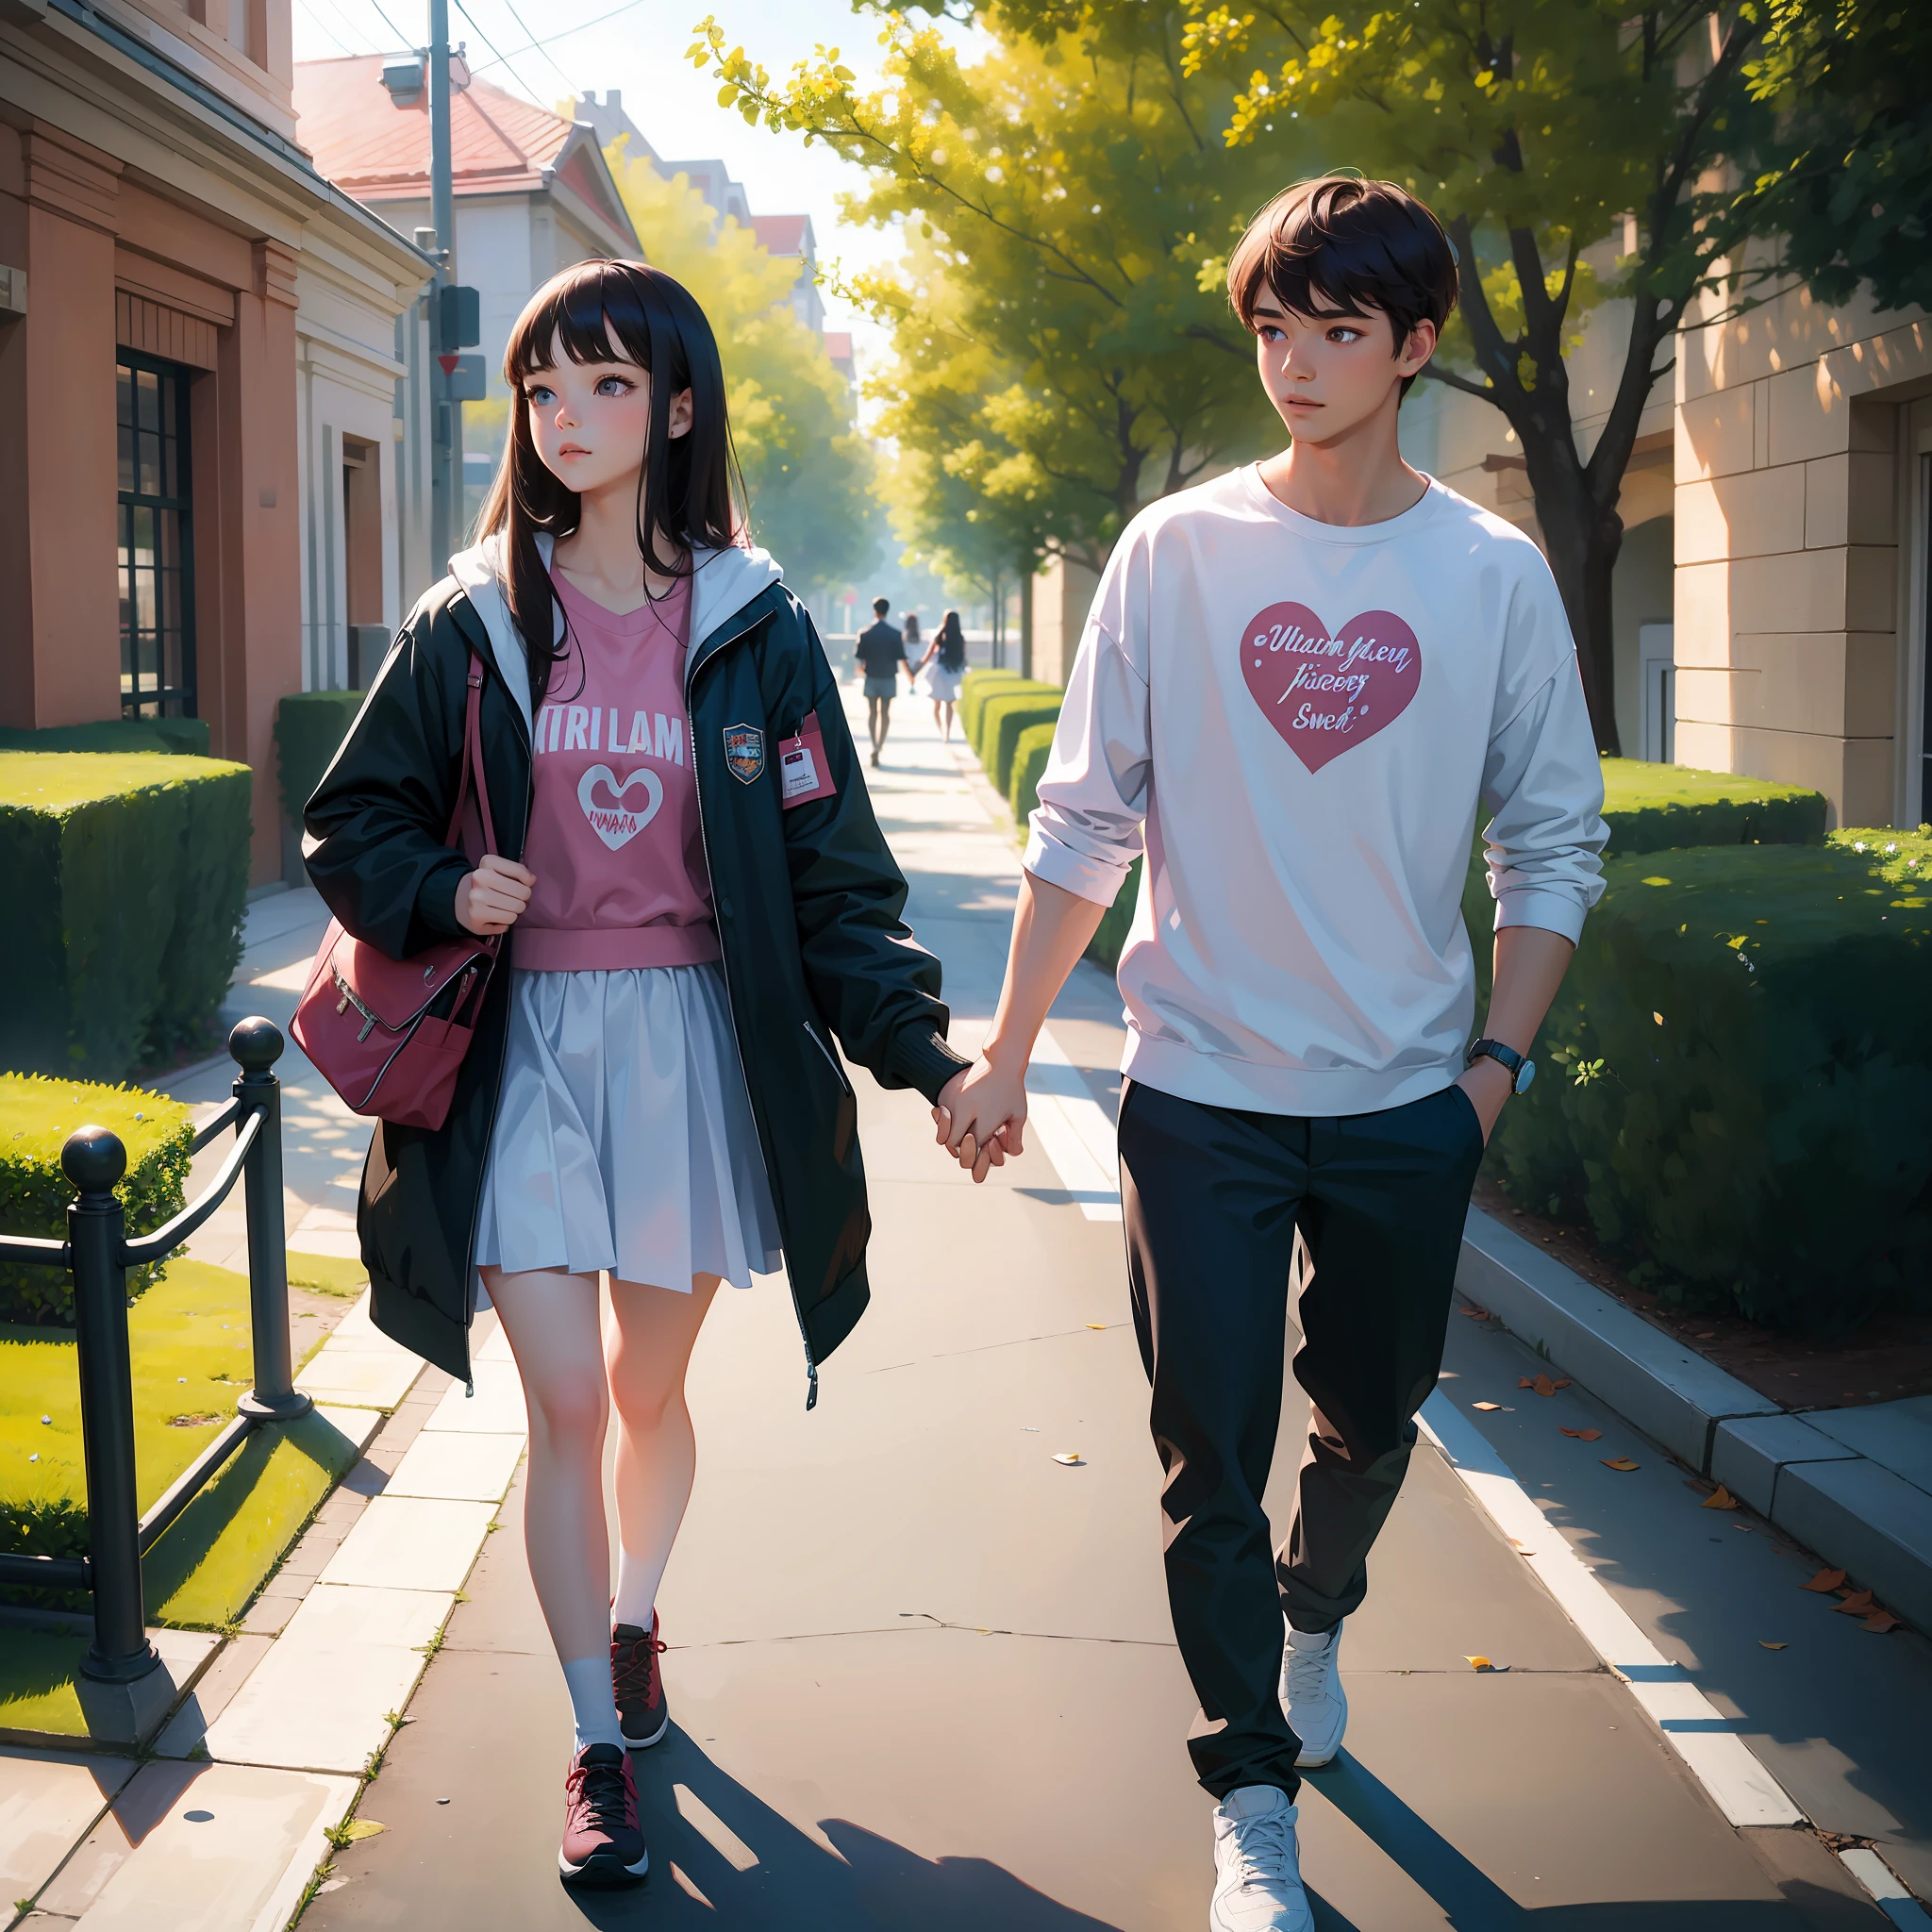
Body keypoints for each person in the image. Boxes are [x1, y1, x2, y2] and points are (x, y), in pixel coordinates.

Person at [933, 177, 1607, 1932]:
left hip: (1403, 1103)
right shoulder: (1175, 550)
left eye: (1331, 332)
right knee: (1202, 1450)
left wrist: (1487, 1079)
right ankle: (1250, 1799)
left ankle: (1317, 1608)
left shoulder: (1487, 573)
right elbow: (1083, 819)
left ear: (1409, 347)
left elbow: (1551, 843)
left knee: (1367, 1415)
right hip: (1202, 1095)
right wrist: (1006, 1051)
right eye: (1270, 330)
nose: (1292, 364)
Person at [304, 258, 972, 1892]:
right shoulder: (469, 620)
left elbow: (835, 886)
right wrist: (439, 888)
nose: (567, 416)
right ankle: (594, 1737)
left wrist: (927, 1056)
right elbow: (351, 819)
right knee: (561, 1398)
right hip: (520, 1045)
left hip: (685, 1045)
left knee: (652, 1392)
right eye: (543, 387)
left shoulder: (756, 627)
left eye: (606, 385)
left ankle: (633, 1609)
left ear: (675, 409)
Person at [854, 595, 911, 767]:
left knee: (872, 713)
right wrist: (911, 675)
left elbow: (859, 658)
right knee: (885, 713)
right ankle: (879, 746)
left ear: (875, 610)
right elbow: (901, 658)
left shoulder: (865, 633)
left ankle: (873, 744)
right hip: (888, 677)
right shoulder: (895, 634)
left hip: (871, 677)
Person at [915, 608, 969, 741]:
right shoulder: (960, 638)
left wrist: (915, 670)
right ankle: (947, 733)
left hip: (940, 673)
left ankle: (941, 730)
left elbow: (927, 656)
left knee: (937, 705)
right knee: (949, 703)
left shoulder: (940, 636)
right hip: (954, 673)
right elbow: (963, 657)